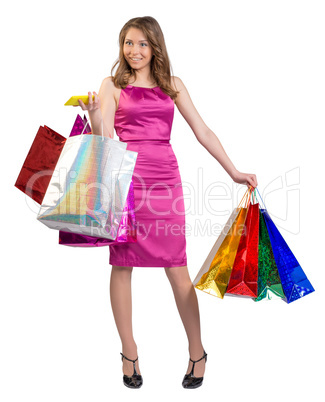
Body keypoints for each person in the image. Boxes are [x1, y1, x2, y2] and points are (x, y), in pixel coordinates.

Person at [76, 16, 258, 389]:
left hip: (164, 184)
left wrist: (234, 172)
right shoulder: (111, 85)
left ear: (155, 46)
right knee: (122, 265)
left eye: (142, 43)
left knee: (177, 267)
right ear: (121, 46)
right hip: (126, 182)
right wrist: (94, 115)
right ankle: (129, 353)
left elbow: (203, 130)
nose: (134, 50)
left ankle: (197, 352)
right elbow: (105, 139)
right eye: (128, 43)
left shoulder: (173, 86)